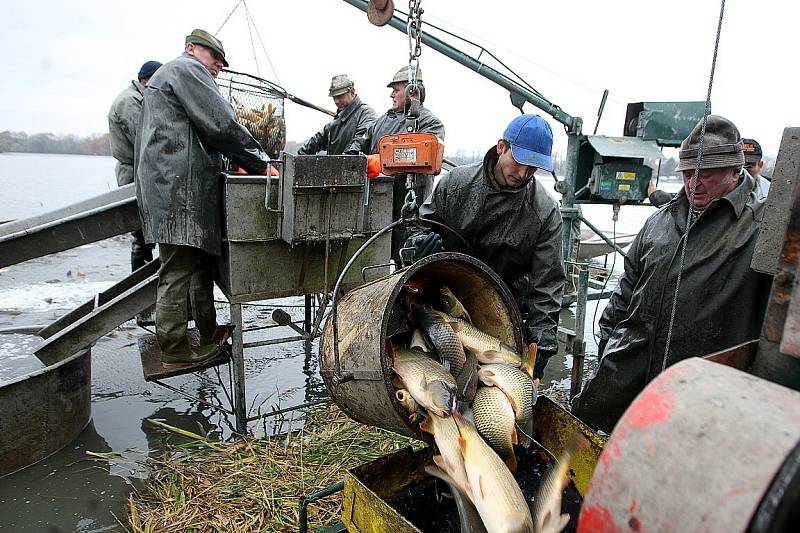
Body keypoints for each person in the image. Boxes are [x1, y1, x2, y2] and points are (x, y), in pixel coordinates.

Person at [571, 116, 772, 433]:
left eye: (705, 174)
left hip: (700, 399)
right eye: (687, 173)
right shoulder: (660, 222)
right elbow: (625, 291)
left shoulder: (760, 228)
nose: (694, 184)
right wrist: (608, 344)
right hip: (625, 379)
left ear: (737, 171)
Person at [135, 29, 271, 367]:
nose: (218, 67)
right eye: (215, 58)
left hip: (171, 186)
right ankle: (175, 349)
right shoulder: (187, 69)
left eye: (222, 64)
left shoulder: (170, 75)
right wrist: (262, 164)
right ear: (191, 48)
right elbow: (222, 125)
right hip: (178, 191)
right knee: (177, 270)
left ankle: (207, 333)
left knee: (196, 268)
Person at [412, 114, 565, 378]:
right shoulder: (455, 184)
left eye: (533, 168)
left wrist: (542, 344)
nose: (523, 174)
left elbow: (547, 286)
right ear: (501, 147)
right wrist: (418, 245)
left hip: (503, 311)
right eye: (519, 163)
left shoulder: (545, 211)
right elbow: (418, 229)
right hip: (441, 302)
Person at [344, 65, 445, 259]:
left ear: (412, 91)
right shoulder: (382, 120)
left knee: (406, 261)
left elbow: (427, 153)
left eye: (396, 90)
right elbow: (362, 141)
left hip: (409, 209)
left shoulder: (430, 123)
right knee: (375, 259)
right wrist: (351, 155)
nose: (391, 95)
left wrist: (381, 161)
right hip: (377, 209)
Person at [108, 60, 161, 272]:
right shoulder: (129, 102)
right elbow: (145, 139)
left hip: (140, 170)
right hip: (133, 173)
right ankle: (139, 283)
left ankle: (145, 281)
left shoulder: (140, 97)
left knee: (146, 234)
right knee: (141, 234)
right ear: (145, 80)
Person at [647, 136, 771, 207]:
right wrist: (657, 196)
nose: (742, 172)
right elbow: (687, 202)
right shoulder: (717, 188)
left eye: (748, 166)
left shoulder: (772, 193)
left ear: (760, 166)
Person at [297, 74, 377, 155]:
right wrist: (300, 155)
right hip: (336, 166)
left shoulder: (366, 113)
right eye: (334, 97)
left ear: (352, 92)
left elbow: (361, 142)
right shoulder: (337, 121)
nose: (336, 101)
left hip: (355, 166)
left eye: (340, 96)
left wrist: (343, 161)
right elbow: (316, 141)